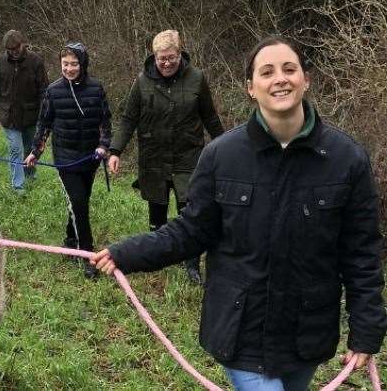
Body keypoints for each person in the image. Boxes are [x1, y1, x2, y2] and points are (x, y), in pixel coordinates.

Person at [92, 35, 387, 390]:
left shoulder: (346, 160)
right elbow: (191, 231)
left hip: (306, 333)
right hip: (240, 329)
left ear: (305, 79)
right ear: (251, 88)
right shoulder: (220, 156)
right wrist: (127, 253)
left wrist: (367, 330)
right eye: (267, 72)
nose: (280, 78)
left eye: (289, 69)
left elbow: (361, 254)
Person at [108, 29, 224, 284]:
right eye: (162, 59)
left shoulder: (196, 79)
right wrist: (115, 151)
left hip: (188, 157)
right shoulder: (142, 81)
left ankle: (191, 264)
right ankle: (157, 257)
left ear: (180, 54)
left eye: (171, 57)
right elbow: (129, 119)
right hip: (154, 158)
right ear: (154, 57)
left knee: (190, 211)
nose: (167, 63)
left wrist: (227, 147)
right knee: (157, 209)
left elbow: (210, 117)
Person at [24, 42, 112, 279]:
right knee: (80, 203)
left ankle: (70, 238)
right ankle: (87, 255)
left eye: (74, 64)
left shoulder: (96, 88)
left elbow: (105, 121)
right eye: (65, 64)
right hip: (65, 159)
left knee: (80, 201)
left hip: (90, 158)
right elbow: (44, 124)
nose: (70, 68)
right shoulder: (53, 91)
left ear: (83, 64)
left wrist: (104, 146)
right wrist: (35, 152)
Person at [0, 29, 48, 194]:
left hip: (31, 114)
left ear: (23, 44)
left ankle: (29, 173)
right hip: (8, 116)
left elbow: (44, 90)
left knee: (31, 148)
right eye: (10, 50)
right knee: (16, 149)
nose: (14, 52)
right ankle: (18, 186)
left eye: (17, 48)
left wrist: (45, 114)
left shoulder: (36, 62)